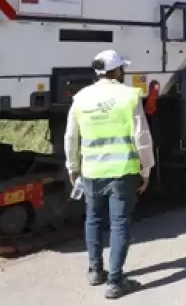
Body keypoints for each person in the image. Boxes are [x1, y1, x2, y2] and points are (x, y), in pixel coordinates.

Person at [64, 49, 155, 300]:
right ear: (117, 71)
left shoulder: (81, 98)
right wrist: (146, 169)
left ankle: (95, 271)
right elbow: (142, 136)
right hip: (122, 171)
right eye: (122, 68)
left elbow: (71, 136)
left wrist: (73, 167)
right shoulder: (128, 96)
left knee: (93, 218)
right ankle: (115, 281)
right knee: (119, 223)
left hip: (92, 171)